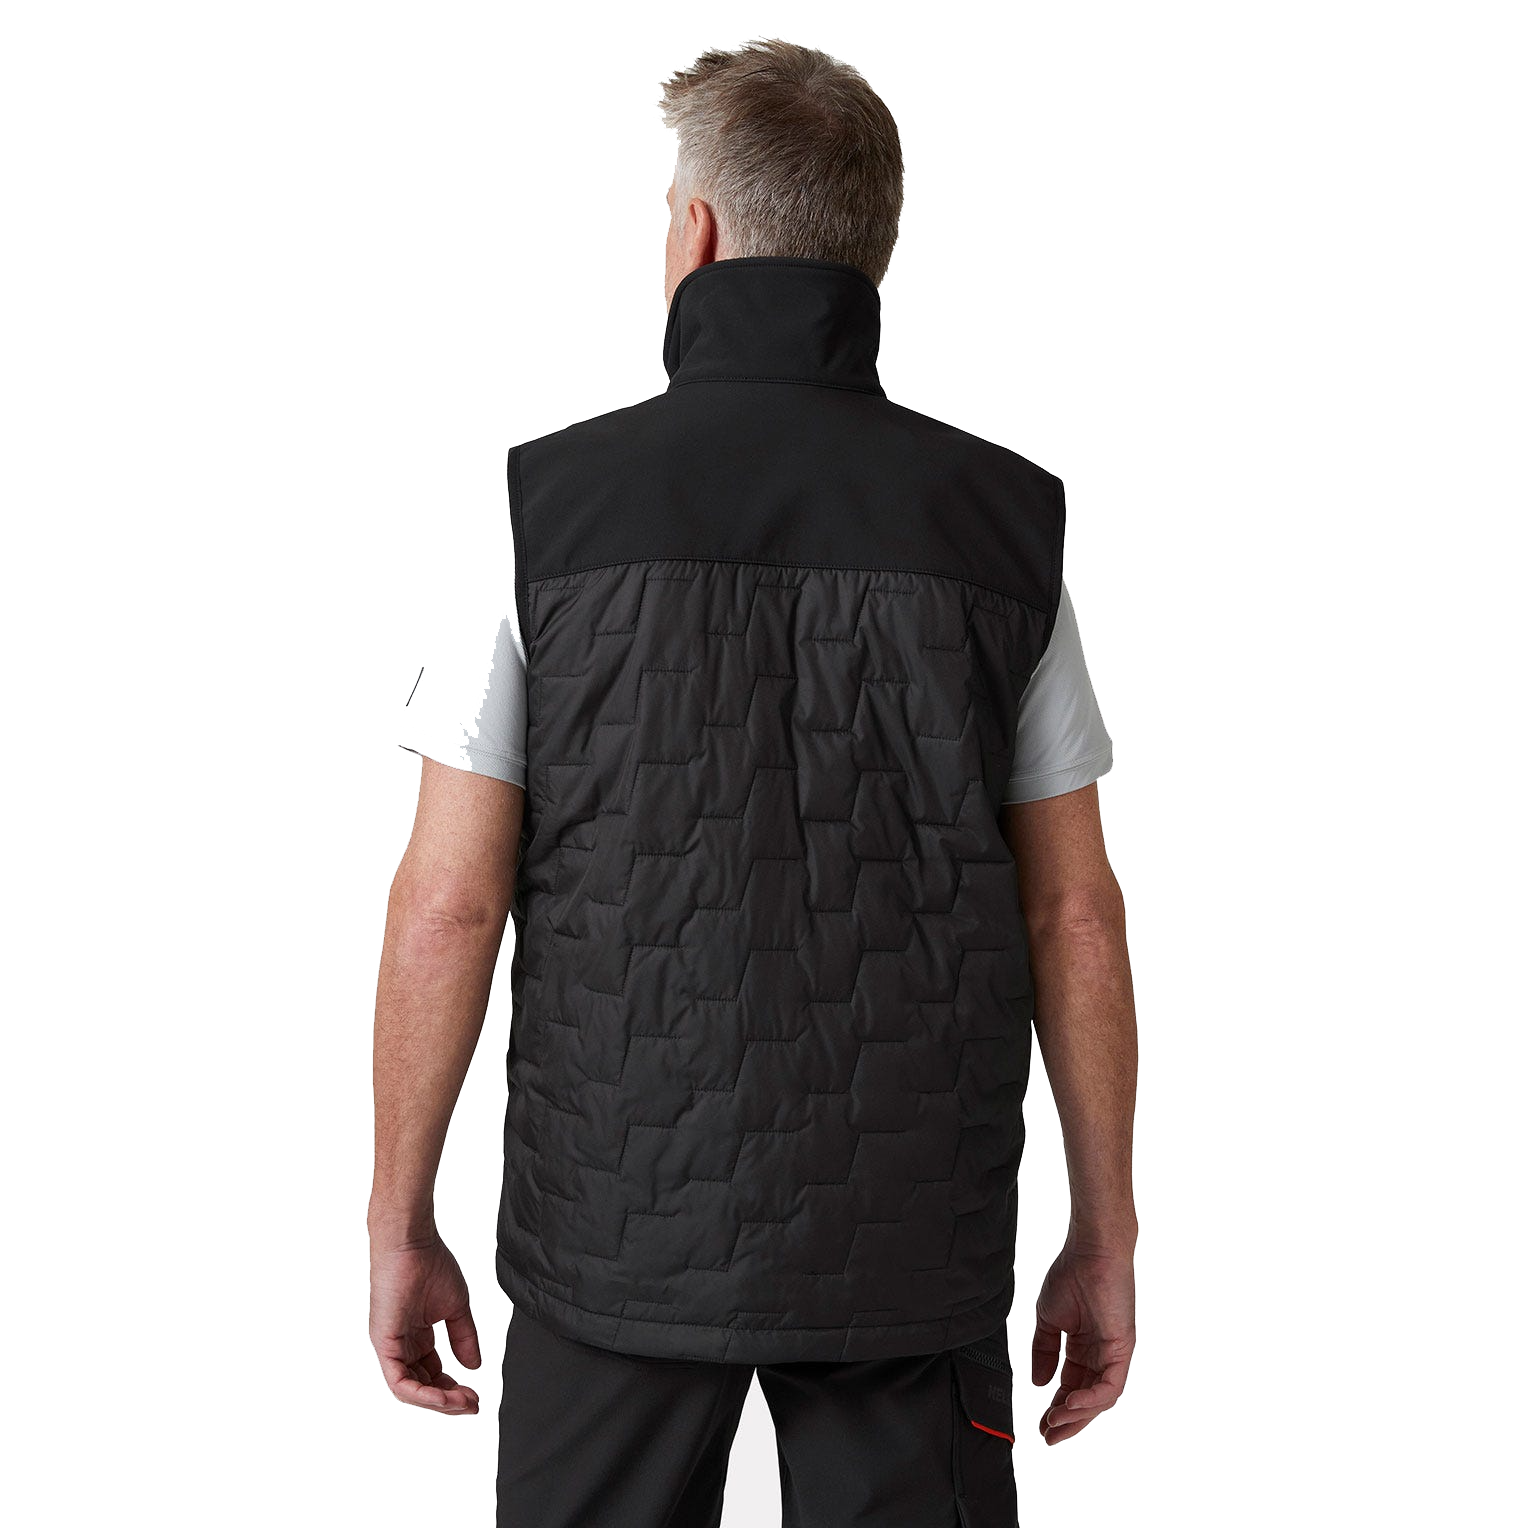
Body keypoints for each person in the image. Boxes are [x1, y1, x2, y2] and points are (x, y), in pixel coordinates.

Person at [369, 37, 1138, 1528]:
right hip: (910, 1245)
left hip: (612, 1237)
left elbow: (448, 905)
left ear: (701, 233)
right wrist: (1104, 1233)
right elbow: (1076, 917)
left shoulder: (543, 510)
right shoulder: (1006, 525)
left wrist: (398, 1217)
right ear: (870, 250)